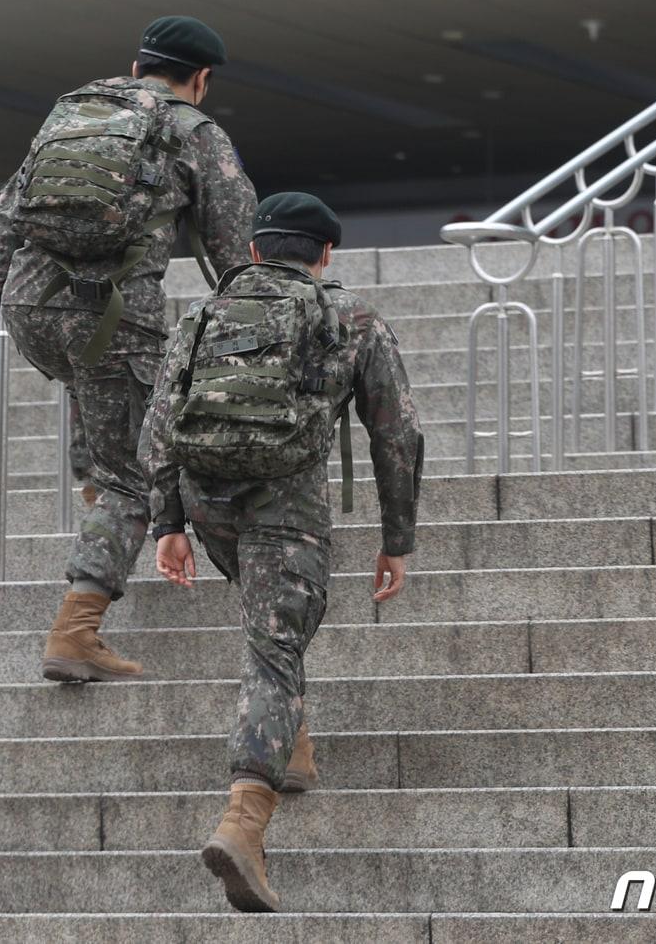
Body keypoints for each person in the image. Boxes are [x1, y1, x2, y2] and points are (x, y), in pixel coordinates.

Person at [0, 15, 255, 682]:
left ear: (138, 64)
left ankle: (101, 516)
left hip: (31, 309)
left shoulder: (71, 112)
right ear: (200, 78)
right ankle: (76, 630)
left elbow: (3, 221)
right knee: (133, 477)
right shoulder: (192, 128)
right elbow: (232, 245)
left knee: (104, 416)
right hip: (111, 316)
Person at [140, 192, 423, 912]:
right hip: (285, 505)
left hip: (209, 499)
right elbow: (397, 435)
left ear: (256, 249)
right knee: (273, 648)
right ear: (325, 254)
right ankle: (244, 823)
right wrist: (397, 538)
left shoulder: (201, 315)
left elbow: (158, 425)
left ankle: (292, 750)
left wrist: (168, 521)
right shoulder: (349, 316)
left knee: (274, 631)